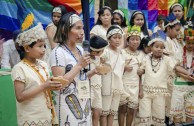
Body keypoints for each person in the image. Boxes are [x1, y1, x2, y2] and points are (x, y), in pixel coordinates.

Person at [11, 12, 62, 126]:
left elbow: (46, 87)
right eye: (39, 46)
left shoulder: (43, 64)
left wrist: (53, 85)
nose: (43, 49)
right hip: (31, 119)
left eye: (44, 46)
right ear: (27, 48)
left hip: (46, 115)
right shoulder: (19, 68)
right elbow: (20, 97)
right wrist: (44, 86)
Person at [138, 30, 194, 126]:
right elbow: (140, 73)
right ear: (151, 47)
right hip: (146, 92)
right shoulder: (146, 58)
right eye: (156, 47)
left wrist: (187, 73)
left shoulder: (167, 59)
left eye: (162, 47)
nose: (159, 49)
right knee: (144, 116)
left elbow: (176, 67)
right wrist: (140, 89)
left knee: (159, 116)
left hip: (160, 92)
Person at [50, 13, 91, 126]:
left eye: (82, 28)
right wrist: (79, 65)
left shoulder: (81, 50)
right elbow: (59, 84)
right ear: (64, 30)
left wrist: (95, 71)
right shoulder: (58, 52)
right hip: (67, 103)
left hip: (84, 100)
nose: (82, 32)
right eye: (77, 28)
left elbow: (82, 76)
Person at [118, 25, 144, 126]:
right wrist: (124, 66)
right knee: (122, 108)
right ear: (128, 41)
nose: (135, 42)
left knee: (131, 110)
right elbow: (116, 67)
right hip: (123, 84)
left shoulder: (141, 55)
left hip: (135, 85)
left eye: (137, 39)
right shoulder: (122, 52)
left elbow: (141, 75)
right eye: (132, 39)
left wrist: (141, 89)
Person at [100, 25, 125, 126]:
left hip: (118, 84)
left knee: (113, 112)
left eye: (119, 37)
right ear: (109, 39)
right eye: (115, 37)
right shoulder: (105, 52)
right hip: (107, 84)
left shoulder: (122, 52)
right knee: (104, 112)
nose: (118, 40)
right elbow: (100, 67)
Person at [170, 22, 194, 124]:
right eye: (188, 43)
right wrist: (187, 75)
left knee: (190, 111)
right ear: (184, 42)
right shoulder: (179, 52)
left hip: (192, 86)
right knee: (177, 111)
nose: (191, 45)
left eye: (193, 43)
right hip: (179, 85)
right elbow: (176, 67)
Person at [87, 35, 108, 126]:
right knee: (87, 112)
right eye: (102, 50)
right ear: (95, 51)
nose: (103, 52)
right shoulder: (86, 59)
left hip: (97, 87)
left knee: (97, 112)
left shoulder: (99, 58)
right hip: (88, 87)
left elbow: (101, 71)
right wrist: (95, 71)